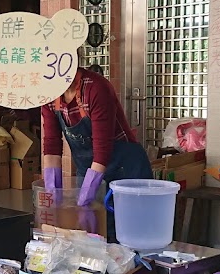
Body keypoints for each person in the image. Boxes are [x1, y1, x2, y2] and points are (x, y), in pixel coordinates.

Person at [41, 67, 152, 231]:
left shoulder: (96, 88)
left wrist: (84, 201)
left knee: (130, 234)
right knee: (94, 239)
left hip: (124, 170)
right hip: (88, 173)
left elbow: (102, 151)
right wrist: (53, 197)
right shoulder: (47, 93)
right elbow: (51, 145)